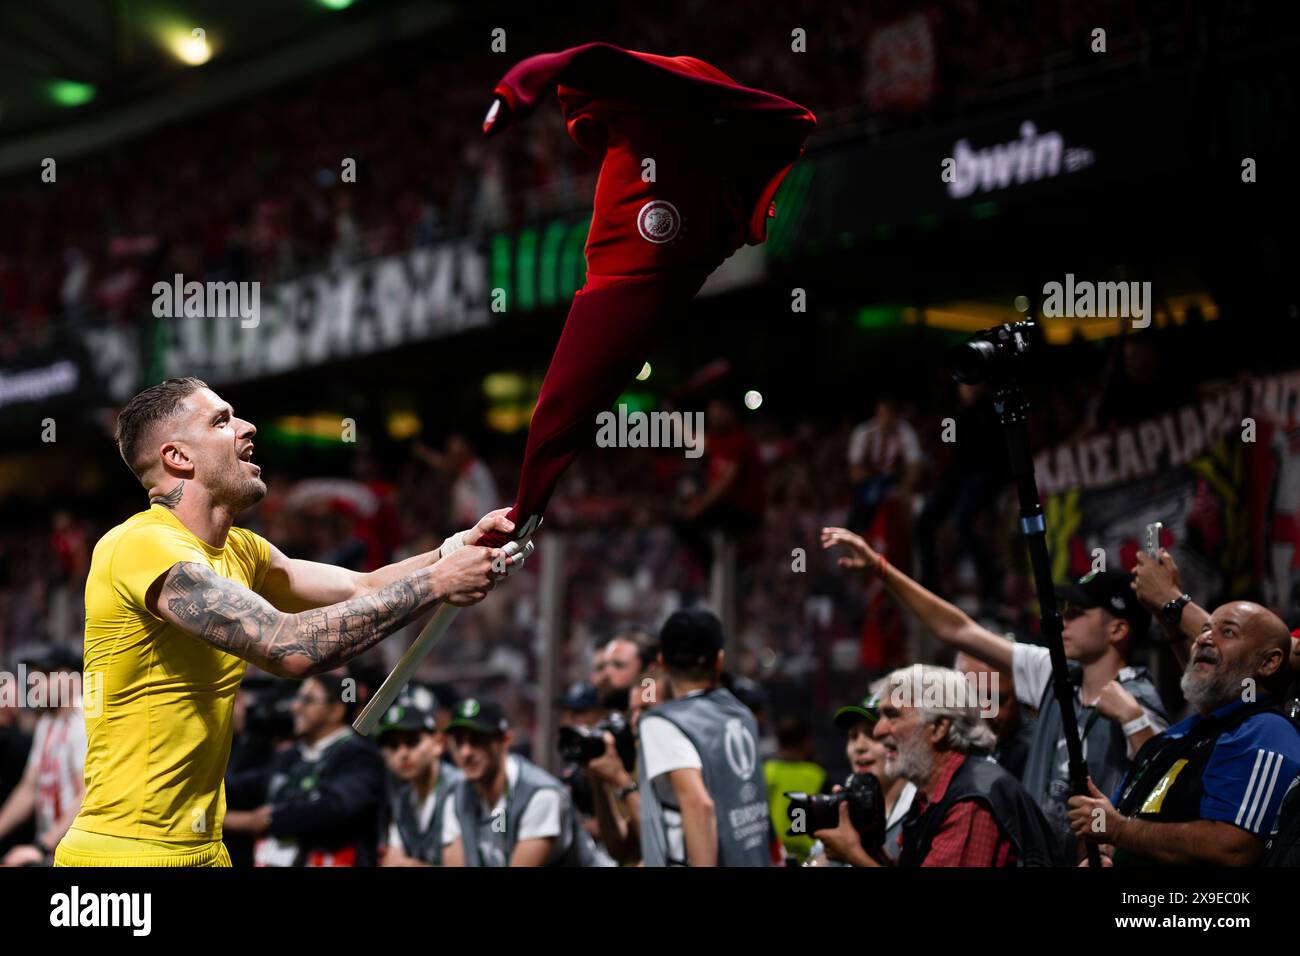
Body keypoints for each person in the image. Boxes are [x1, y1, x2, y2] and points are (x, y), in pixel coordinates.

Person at [56, 377, 522, 868]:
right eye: (221, 421)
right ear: (178, 457)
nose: (247, 427)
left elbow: (362, 588)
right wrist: (435, 584)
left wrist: (454, 550)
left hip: (203, 851)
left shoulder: (243, 549)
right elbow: (290, 645)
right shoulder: (139, 545)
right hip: (123, 858)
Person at [822, 527, 1166, 860]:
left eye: (1077, 614)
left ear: (1118, 629)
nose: (1063, 621)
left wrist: (1133, 720)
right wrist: (882, 570)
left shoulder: (1139, 698)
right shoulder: (1054, 674)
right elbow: (957, 629)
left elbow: (1163, 790)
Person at [1069, 601, 1300, 866]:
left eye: (1228, 632)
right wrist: (1097, 853)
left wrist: (1119, 830)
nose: (1204, 639)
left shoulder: (1266, 732)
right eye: (1204, 629)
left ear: (1269, 662)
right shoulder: (1174, 737)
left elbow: (1233, 848)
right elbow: (1113, 820)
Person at [817, 665, 1060, 867]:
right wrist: (866, 847)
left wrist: (854, 856)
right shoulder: (935, 794)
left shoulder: (971, 802)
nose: (879, 731)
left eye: (892, 716)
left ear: (939, 727)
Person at [636, 609, 774, 866]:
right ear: (719, 660)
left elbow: (698, 806)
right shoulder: (742, 715)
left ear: (662, 661)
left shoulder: (661, 723)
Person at [225, 671, 386, 866]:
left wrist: (267, 819)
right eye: (297, 698)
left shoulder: (359, 755)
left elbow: (332, 806)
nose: (294, 707)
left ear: (336, 710)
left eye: (307, 700)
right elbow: (250, 785)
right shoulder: (291, 756)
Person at [441, 697, 599, 867]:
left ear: (505, 740)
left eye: (477, 740)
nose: (466, 752)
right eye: (458, 741)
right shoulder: (457, 796)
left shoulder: (541, 794)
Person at [807, 688, 916, 865]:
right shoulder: (843, 806)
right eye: (853, 736)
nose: (860, 746)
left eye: (873, 735)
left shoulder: (921, 809)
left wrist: (852, 853)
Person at [0, 646, 85, 866]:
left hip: (76, 852)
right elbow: (28, 788)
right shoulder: (47, 723)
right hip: (52, 850)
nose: (36, 682)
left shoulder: (83, 720)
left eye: (47, 674)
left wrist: (41, 845)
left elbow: (86, 795)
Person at [376, 694, 462, 867]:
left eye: (412, 742)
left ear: (438, 743)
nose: (403, 754)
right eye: (393, 746)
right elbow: (391, 862)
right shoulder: (403, 797)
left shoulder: (459, 789)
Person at [846, 398, 923, 535]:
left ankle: (907, 546)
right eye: (882, 413)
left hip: (896, 481)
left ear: (895, 415)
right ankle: (860, 542)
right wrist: (870, 478)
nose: (886, 418)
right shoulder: (864, 432)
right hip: (869, 481)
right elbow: (854, 470)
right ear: (877, 414)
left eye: (889, 414)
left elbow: (914, 466)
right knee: (865, 504)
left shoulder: (905, 431)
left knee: (914, 508)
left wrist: (906, 487)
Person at [954, 648, 1033, 781]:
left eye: (996, 699)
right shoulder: (936, 744)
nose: (985, 712)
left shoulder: (1043, 755)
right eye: (974, 697)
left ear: (1021, 697)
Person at [764, 714, 826, 864]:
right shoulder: (816, 775)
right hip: (811, 858)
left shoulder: (767, 771)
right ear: (807, 742)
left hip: (774, 855)